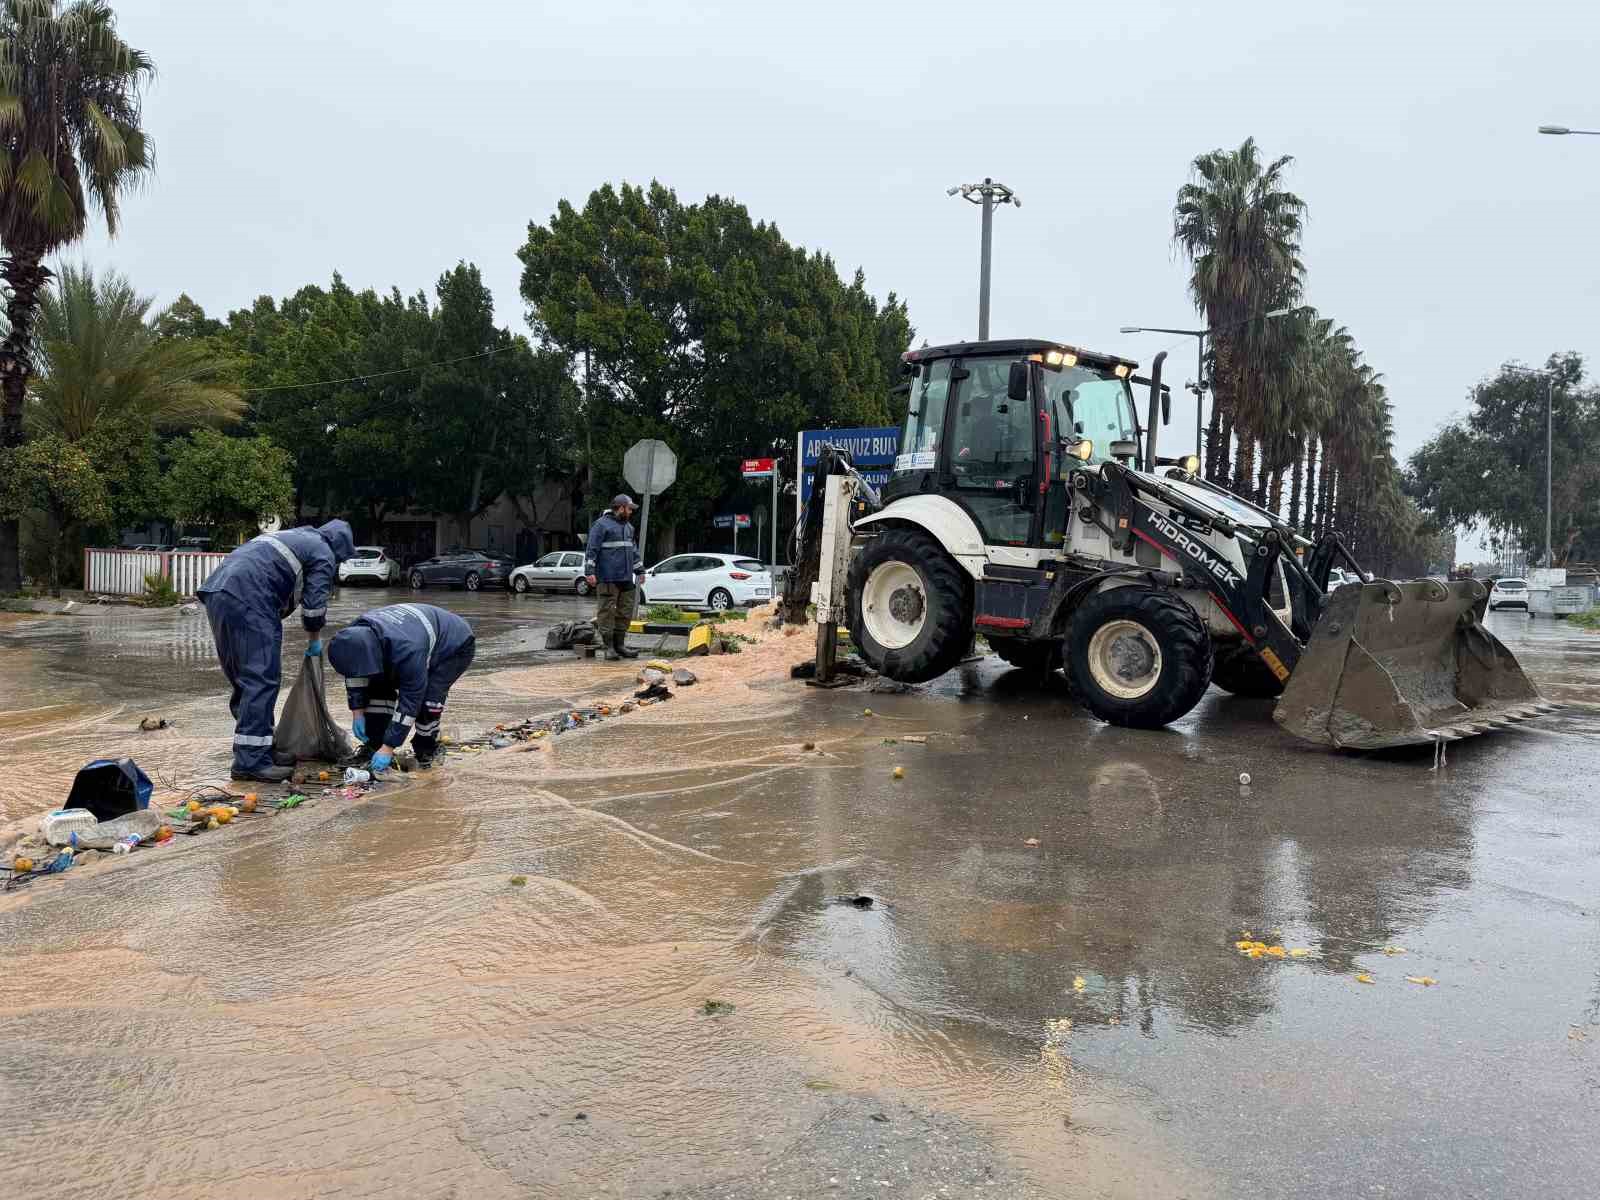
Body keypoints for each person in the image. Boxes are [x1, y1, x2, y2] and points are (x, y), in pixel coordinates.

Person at [197, 520, 356, 782]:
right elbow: (314, 608)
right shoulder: (323, 551)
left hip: (218, 592)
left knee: (244, 678)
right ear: (339, 549)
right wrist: (314, 641)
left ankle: (258, 749)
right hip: (251, 597)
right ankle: (251, 762)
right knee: (262, 678)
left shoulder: (297, 536)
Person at [326, 602, 476, 771]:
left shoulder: (409, 651)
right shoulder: (352, 637)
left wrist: (389, 746)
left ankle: (427, 748)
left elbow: (411, 700)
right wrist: (357, 712)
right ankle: (374, 745)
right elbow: (355, 673)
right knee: (377, 688)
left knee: (428, 701)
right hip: (406, 633)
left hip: (453, 646)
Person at [585, 494, 645, 661]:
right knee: (607, 613)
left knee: (625, 612)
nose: (631, 512)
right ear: (620, 508)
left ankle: (620, 646)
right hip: (607, 578)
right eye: (629, 508)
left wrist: (640, 571)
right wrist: (589, 572)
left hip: (626, 578)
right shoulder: (601, 525)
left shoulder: (629, 528)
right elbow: (592, 550)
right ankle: (609, 648)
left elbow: (633, 552)